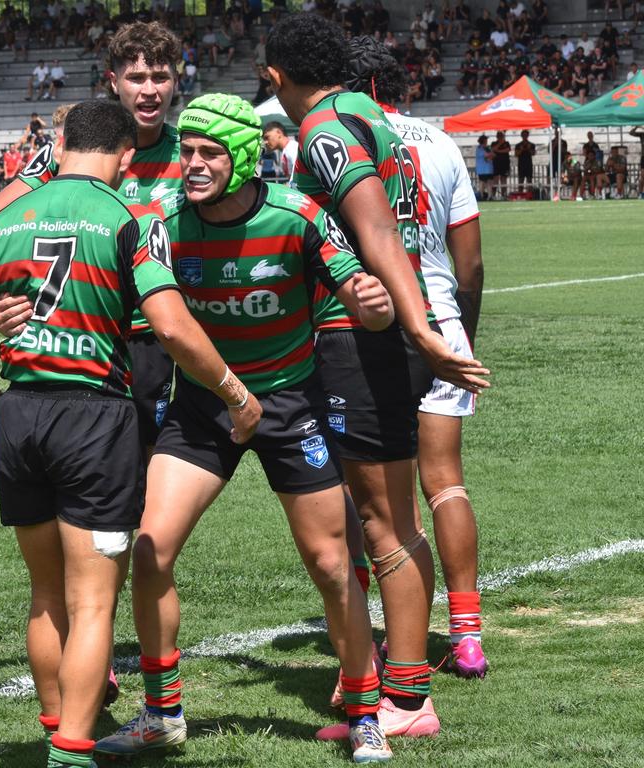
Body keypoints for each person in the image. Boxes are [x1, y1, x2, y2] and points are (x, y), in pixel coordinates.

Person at [0, 99, 260, 768]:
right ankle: (72, 750)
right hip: (92, 418)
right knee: (94, 602)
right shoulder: (124, 219)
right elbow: (171, 328)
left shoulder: (2, 223)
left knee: (45, 594)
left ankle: (55, 720)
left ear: (60, 145)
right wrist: (233, 390)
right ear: (123, 156)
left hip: (21, 411)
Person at [93, 93, 396, 764]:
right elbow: (99, 284)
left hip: (290, 406)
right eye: (187, 152)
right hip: (205, 408)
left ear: (240, 157)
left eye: (208, 154)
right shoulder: (162, 222)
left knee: (329, 563)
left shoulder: (299, 215)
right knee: (151, 549)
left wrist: (372, 306)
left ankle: (365, 709)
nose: (192, 165)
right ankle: (162, 712)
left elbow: (359, 297)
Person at [265, 13, 489, 739]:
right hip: (372, 337)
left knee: (383, 521)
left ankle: (409, 699)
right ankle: (390, 686)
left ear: (276, 77)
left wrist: (418, 324)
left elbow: (379, 231)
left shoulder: (325, 130)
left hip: (362, 342)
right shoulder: (365, 112)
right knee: (384, 518)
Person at [0, 21, 187, 455]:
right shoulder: (68, 150)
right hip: (79, 336)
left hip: (150, 340)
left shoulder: (190, 153)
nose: (150, 91)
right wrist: (2, 298)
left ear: (176, 80)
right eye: (137, 77)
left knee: (145, 467)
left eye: (161, 77)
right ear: (113, 81)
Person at [347, 36, 489, 680]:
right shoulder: (440, 143)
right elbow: (472, 263)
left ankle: (381, 638)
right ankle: (466, 637)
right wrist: (460, 338)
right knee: (446, 481)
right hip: (441, 321)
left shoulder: (340, 138)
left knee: (368, 499)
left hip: (373, 329)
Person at [490, 130, 511, 199]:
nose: (500, 137)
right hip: (496, 164)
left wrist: (498, 151)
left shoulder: (507, 143)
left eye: (501, 136)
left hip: (505, 164)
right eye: (499, 136)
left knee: (503, 179)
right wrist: (499, 143)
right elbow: (493, 149)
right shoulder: (494, 143)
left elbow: (507, 150)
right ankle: (493, 195)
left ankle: (503, 195)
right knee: (495, 180)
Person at [630, 126, 644, 198]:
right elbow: (631, 133)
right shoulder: (642, 135)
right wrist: (636, 127)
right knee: (642, 176)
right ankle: (641, 193)